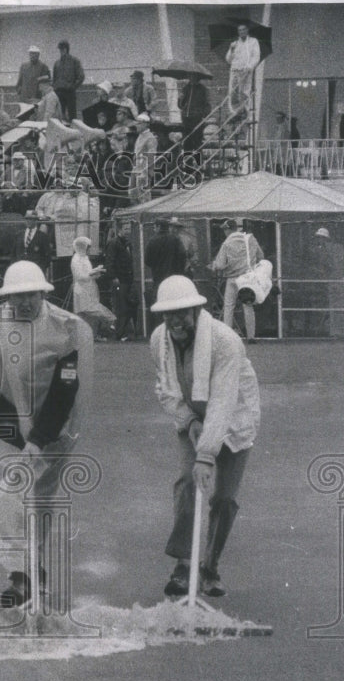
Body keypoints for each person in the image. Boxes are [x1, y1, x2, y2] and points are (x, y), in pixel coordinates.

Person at [0, 260, 94, 608]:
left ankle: (34, 568)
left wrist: (38, 437)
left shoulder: (66, 328)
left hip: (55, 427)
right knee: (9, 493)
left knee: (41, 503)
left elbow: (66, 388)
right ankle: (19, 577)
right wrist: (15, 428)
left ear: (43, 293)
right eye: (16, 296)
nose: (24, 302)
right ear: (7, 297)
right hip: (6, 426)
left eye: (31, 295)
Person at [149, 275, 260, 598]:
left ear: (196, 310)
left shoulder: (225, 341)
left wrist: (207, 454)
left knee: (224, 498)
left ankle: (209, 567)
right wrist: (187, 419)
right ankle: (184, 566)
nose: (175, 321)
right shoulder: (159, 340)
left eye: (181, 313)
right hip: (194, 417)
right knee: (187, 480)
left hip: (235, 419)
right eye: (168, 315)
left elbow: (225, 399)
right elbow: (165, 388)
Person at [211, 219, 265, 343]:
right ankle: (251, 337)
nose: (224, 232)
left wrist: (214, 265)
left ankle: (228, 338)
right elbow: (261, 256)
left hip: (232, 279)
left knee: (229, 307)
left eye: (225, 230)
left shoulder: (227, 243)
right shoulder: (251, 239)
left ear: (228, 229)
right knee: (248, 306)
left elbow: (219, 264)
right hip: (247, 279)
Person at [70, 236, 114, 340]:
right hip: (81, 289)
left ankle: (91, 335)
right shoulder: (76, 259)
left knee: (89, 314)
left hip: (89, 288)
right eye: (88, 247)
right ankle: (82, 336)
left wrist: (96, 272)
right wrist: (92, 273)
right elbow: (79, 276)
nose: (89, 250)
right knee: (86, 311)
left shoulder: (84, 258)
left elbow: (87, 273)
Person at [103, 215, 137, 341]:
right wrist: (113, 277)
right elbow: (109, 261)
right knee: (120, 306)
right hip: (119, 280)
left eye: (129, 229)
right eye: (126, 229)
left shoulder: (127, 244)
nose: (128, 231)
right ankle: (119, 332)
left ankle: (123, 332)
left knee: (126, 305)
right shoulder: (114, 243)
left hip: (127, 279)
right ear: (119, 230)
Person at [225, 23, 260, 113]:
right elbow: (228, 60)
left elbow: (256, 56)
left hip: (246, 71)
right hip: (235, 71)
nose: (242, 32)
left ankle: (245, 111)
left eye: (244, 29)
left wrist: (249, 66)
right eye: (240, 30)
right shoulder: (235, 43)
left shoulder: (253, 41)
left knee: (244, 92)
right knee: (234, 92)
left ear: (247, 30)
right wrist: (231, 50)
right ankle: (235, 111)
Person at [52, 40, 85, 121]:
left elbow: (81, 76)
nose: (61, 51)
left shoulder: (75, 61)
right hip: (59, 92)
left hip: (69, 92)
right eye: (60, 49)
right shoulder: (57, 63)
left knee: (72, 116)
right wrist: (55, 87)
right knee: (59, 115)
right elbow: (54, 78)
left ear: (66, 49)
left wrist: (73, 87)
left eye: (62, 49)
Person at [14, 209, 55, 275]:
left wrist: (41, 268)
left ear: (35, 221)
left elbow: (47, 256)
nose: (28, 221)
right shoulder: (19, 235)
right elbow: (14, 254)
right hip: (20, 270)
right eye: (27, 219)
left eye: (31, 219)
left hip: (36, 271)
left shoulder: (42, 236)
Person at [178, 75, 210, 152]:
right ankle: (188, 163)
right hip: (186, 118)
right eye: (190, 76)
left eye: (193, 76)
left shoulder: (202, 89)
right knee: (186, 142)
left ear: (197, 77)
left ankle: (199, 162)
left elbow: (207, 104)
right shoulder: (185, 88)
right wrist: (180, 99)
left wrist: (203, 115)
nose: (191, 78)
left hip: (197, 119)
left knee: (197, 142)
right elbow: (180, 105)